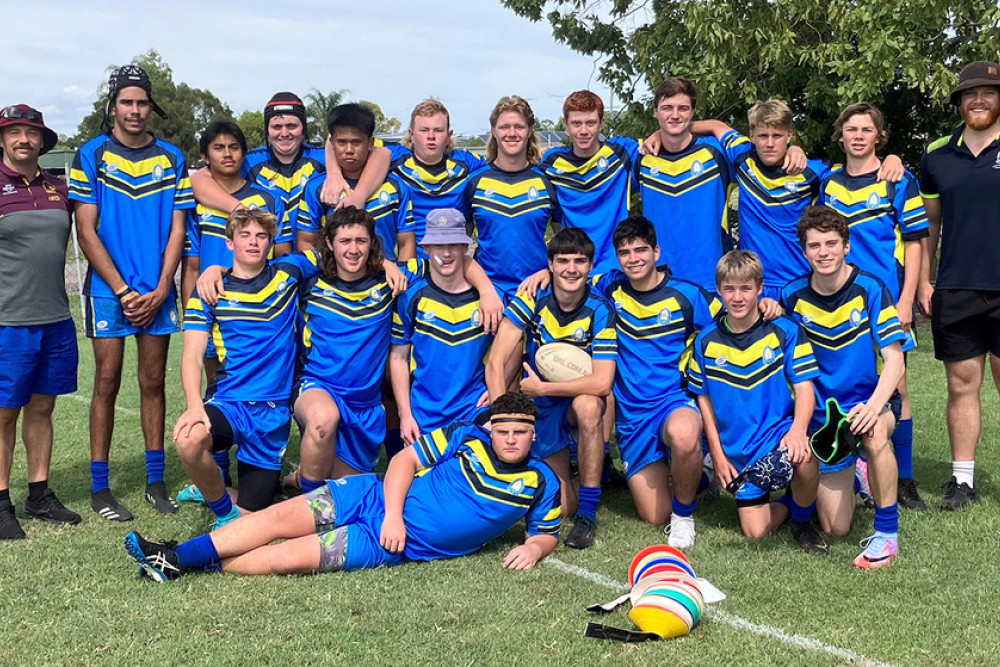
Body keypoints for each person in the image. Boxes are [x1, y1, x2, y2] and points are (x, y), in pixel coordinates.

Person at [124, 392, 560, 581]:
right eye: (503, 431)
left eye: (519, 433)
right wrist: (392, 514)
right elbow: (405, 460)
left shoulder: (541, 482)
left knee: (286, 558)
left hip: (392, 545)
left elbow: (546, 532)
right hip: (372, 497)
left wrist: (534, 548)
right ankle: (176, 554)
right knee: (277, 517)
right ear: (493, 429)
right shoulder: (469, 436)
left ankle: (188, 563)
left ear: (533, 436)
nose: (509, 439)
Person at [292, 207, 499, 493]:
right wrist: (217, 269)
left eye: (361, 241)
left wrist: (487, 290)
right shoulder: (310, 284)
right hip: (320, 387)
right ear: (329, 243)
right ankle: (310, 505)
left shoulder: (394, 280)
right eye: (344, 241)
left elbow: (455, 259)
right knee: (322, 422)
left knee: (357, 487)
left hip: (365, 404)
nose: (353, 249)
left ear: (372, 244)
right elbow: (266, 269)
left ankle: (299, 477)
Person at [70, 65, 194, 520]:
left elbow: (179, 228)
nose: (136, 110)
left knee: (153, 383)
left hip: (156, 290)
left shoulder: (172, 157)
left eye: (142, 102)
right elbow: (86, 230)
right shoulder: (92, 154)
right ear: (113, 107)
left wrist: (163, 287)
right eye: (127, 102)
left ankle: (155, 482)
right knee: (105, 381)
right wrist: (123, 290)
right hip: (109, 291)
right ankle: (100, 489)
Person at [175, 209, 319, 529]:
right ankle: (224, 512)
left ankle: (211, 491)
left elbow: (340, 251)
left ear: (270, 242)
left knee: (255, 515)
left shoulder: (290, 271)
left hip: (272, 411)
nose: (253, 242)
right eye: (245, 236)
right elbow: (191, 356)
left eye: (261, 236)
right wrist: (195, 406)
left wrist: (390, 263)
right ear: (230, 243)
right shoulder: (210, 290)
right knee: (188, 439)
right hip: (230, 402)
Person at [781, 207, 905, 568]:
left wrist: (873, 407)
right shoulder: (791, 297)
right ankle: (860, 475)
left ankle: (886, 535)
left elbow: (895, 360)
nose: (823, 252)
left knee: (876, 433)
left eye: (831, 243)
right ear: (804, 251)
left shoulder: (870, 289)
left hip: (867, 404)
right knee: (836, 527)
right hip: (821, 416)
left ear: (846, 246)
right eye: (814, 245)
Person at [820, 103, 928, 510]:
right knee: (847, 380)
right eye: (851, 129)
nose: (859, 136)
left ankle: (904, 479)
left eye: (867, 129)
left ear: (878, 136)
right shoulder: (828, 182)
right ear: (841, 136)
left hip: (885, 300)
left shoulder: (898, 181)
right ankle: (855, 464)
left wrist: (906, 300)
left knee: (897, 386)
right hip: (838, 301)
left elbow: (916, 242)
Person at [591, 216, 721, 546]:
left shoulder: (688, 295)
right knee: (653, 514)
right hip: (632, 416)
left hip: (673, 401)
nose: (633, 258)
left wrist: (766, 306)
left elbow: (731, 321)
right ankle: (700, 476)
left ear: (657, 251)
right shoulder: (609, 287)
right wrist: (539, 275)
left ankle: (684, 517)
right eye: (625, 252)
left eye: (640, 250)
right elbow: (570, 279)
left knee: (683, 433)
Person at [687, 250, 826, 553]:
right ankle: (793, 501)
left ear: (760, 288)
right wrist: (719, 455)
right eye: (730, 289)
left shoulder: (785, 330)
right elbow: (703, 400)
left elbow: (804, 388)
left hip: (777, 436)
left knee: (805, 455)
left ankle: (803, 521)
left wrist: (798, 431)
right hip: (737, 451)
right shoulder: (705, 340)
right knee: (756, 532)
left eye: (746, 288)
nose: (738, 297)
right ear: (719, 290)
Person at [487, 228, 617, 550]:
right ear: (550, 265)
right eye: (563, 261)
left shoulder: (600, 310)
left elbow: (602, 382)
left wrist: (543, 389)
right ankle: (583, 465)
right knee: (562, 506)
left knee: (590, 405)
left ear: (590, 266)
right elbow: (496, 362)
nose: (571, 268)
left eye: (580, 261)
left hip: (568, 397)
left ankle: (588, 513)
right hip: (542, 406)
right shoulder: (532, 297)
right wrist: (505, 415)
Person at [918, 61, 1000, 510]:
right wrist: (925, 281)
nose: (979, 100)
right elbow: (930, 224)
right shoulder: (936, 154)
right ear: (960, 102)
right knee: (961, 385)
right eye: (971, 94)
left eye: (989, 92)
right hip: (957, 286)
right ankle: (962, 482)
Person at [0, 105, 81, 539]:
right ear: (3, 140)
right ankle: (0, 504)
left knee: (43, 408)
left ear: (42, 141)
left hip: (54, 318)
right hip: (7, 322)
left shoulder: (58, 188)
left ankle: (39, 494)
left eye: (30, 133)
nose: (22, 139)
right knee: (4, 414)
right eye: (13, 132)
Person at [190, 92, 391, 241]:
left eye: (292, 126)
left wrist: (335, 173)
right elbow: (198, 180)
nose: (284, 133)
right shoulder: (250, 160)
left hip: (318, 260)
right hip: (268, 261)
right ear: (267, 130)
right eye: (276, 126)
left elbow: (383, 153)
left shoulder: (322, 157)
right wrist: (241, 209)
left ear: (303, 128)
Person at [182, 120, 288, 400]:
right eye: (218, 148)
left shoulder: (269, 199)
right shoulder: (195, 202)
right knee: (214, 385)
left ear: (244, 154)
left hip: (256, 306)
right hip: (211, 299)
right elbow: (192, 265)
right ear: (205, 157)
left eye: (234, 147)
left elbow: (282, 258)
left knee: (254, 382)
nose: (227, 153)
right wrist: (190, 313)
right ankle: (216, 440)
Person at [390, 209, 494, 443]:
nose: (446, 253)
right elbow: (398, 358)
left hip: (474, 409)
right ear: (425, 248)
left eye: (453, 245)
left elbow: (511, 348)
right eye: (438, 246)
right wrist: (405, 415)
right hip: (424, 414)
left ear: (464, 248)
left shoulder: (488, 300)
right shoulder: (410, 298)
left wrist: (501, 387)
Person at [633, 77, 732, 291]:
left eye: (683, 108)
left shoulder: (717, 153)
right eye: (667, 108)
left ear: (693, 112)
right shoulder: (642, 157)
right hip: (658, 282)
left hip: (713, 281)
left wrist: (794, 150)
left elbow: (764, 157)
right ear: (655, 111)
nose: (675, 115)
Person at [464, 95, 561, 302]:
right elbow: (458, 249)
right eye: (504, 127)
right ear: (493, 131)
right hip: (488, 294)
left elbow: (565, 244)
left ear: (530, 129)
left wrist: (549, 272)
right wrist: (484, 289)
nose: (512, 133)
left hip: (537, 291)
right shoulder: (474, 182)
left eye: (519, 126)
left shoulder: (548, 182)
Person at [538, 90, 640, 275]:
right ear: (566, 125)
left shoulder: (622, 152)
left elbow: (667, 136)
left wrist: (712, 125)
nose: (583, 131)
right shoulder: (551, 162)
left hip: (616, 269)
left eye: (590, 123)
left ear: (601, 123)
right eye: (576, 123)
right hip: (573, 270)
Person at [298, 103, 416, 260]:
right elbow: (306, 242)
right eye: (342, 142)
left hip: (385, 280)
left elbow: (406, 243)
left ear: (370, 143)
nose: (349, 150)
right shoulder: (317, 188)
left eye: (356, 142)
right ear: (331, 143)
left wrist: (402, 275)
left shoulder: (396, 186)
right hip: (333, 282)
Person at [389, 99, 487, 254]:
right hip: (410, 263)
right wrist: (334, 173)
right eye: (424, 130)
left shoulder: (466, 162)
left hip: (453, 262)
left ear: (449, 135)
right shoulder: (394, 158)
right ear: (411, 134)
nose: (431, 136)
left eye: (438, 130)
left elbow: (502, 163)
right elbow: (349, 147)